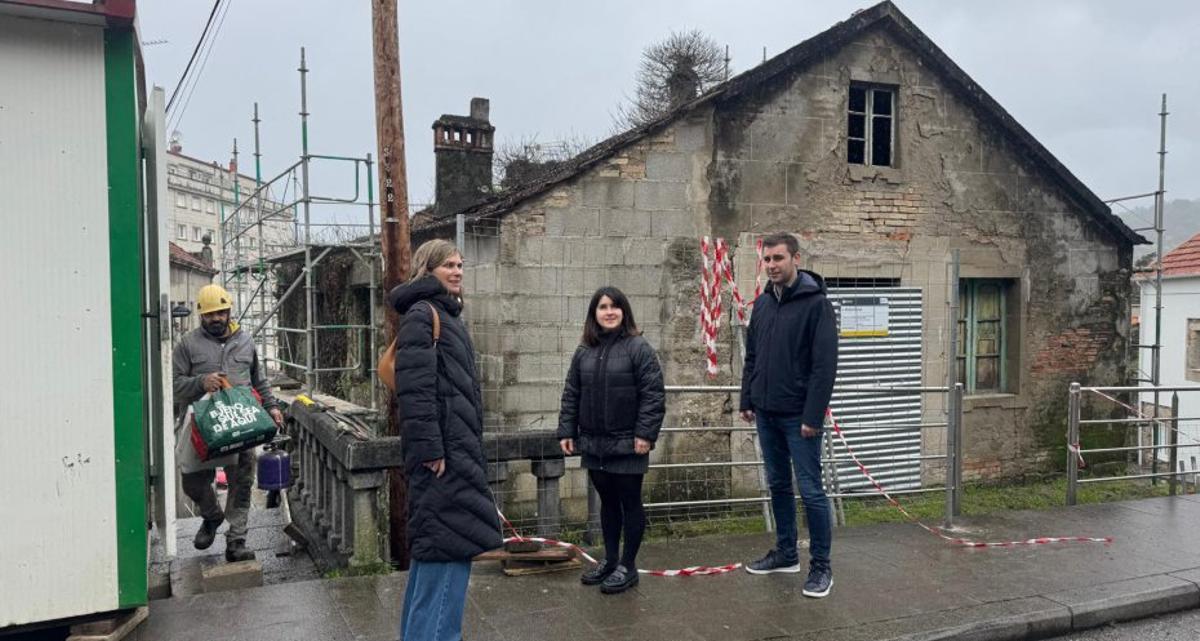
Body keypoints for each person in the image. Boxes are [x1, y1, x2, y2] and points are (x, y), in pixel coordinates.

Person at [389, 239, 502, 641]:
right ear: (427, 269)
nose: (457, 271)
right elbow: (415, 392)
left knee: (434, 562)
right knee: (448, 562)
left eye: (460, 264)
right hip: (445, 462)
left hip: (455, 456)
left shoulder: (442, 314)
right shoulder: (425, 315)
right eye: (448, 265)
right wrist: (432, 450)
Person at [739, 232, 838, 598]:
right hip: (766, 412)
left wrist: (813, 416)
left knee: (811, 490)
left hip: (800, 418)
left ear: (796, 258)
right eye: (767, 260)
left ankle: (821, 568)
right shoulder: (763, 304)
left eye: (778, 258)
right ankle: (785, 553)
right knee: (778, 485)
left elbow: (824, 366)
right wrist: (746, 399)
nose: (772, 265)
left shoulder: (817, 304)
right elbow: (753, 357)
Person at [558, 286, 665, 594]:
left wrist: (645, 434)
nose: (609, 312)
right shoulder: (584, 351)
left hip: (629, 444)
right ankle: (610, 559)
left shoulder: (638, 348)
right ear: (594, 314)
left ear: (624, 312)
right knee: (607, 503)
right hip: (594, 443)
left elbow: (653, 395)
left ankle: (628, 566)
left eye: (615, 306)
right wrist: (567, 430)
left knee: (630, 503)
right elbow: (572, 394)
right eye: (603, 307)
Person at [172, 283, 284, 563]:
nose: (216, 319)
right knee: (192, 480)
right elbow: (173, 385)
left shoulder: (246, 341)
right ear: (200, 315)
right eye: (210, 314)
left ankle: (236, 542)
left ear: (228, 311)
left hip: (242, 422)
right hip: (203, 426)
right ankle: (211, 516)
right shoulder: (187, 344)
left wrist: (271, 407)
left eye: (220, 313)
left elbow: (259, 380)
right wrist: (200, 381)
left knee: (242, 483)